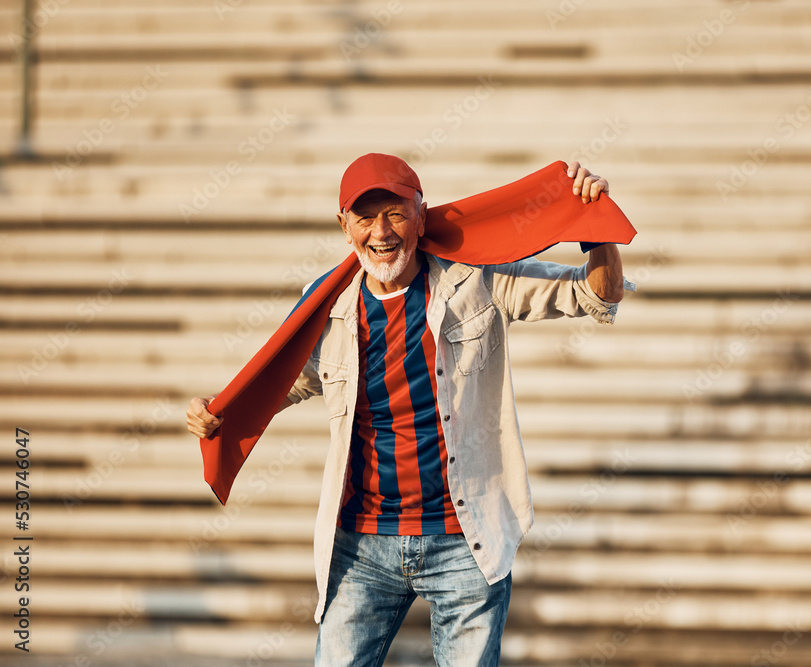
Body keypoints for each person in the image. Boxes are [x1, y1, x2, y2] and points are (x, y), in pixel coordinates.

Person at [186, 153, 628, 666]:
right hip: (360, 546)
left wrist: (595, 224)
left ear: (421, 216)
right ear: (343, 225)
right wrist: (219, 410)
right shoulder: (325, 308)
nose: (381, 232)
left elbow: (598, 295)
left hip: (465, 541)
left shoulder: (476, 281)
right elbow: (288, 382)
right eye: (364, 217)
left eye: (395, 213)